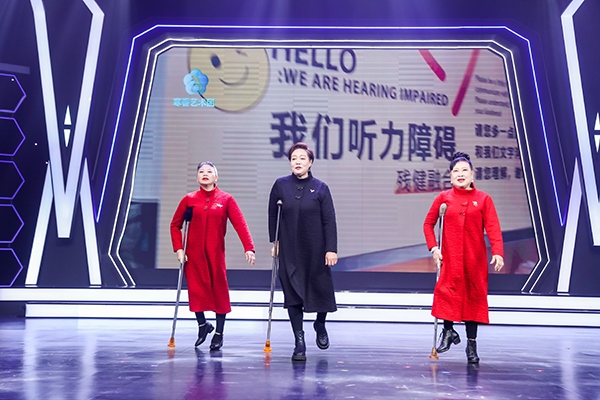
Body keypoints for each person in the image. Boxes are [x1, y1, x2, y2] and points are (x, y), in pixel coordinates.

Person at [423, 152, 504, 363]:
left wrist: (497, 252)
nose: (460, 174)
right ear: (450, 176)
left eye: (464, 170)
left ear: (472, 174)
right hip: (450, 258)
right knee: (446, 293)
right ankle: (448, 331)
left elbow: (493, 228)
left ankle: (471, 344)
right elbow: (428, 224)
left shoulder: (484, 199)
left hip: (474, 260)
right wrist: (434, 248)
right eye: (456, 171)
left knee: (473, 299)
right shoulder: (444, 198)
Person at [170, 161, 255, 350]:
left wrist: (248, 247)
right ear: (197, 177)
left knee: (219, 292)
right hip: (193, 255)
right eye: (201, 171)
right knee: (196, 291)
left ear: (216, 177)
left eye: (209, 171)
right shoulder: (189, 199)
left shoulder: (226, 199)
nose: (205, 174)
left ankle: (219, 333)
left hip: (215, 253)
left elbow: (240, 224)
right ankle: (202, 325)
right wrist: (179, 249)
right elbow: (175, 225)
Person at [268, 142, 338, 361]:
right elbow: (273, 214)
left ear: (310, 162)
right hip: (289, 248)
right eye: (293, 159)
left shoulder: (320, 188)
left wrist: (331, 249)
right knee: (292, 294)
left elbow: (329, 221)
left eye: (302, 158)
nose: (297, 162)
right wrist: (275, 241)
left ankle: (320, 323)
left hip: (315, 249)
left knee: (321, 289)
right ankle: (299, 341)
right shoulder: (280, 185)